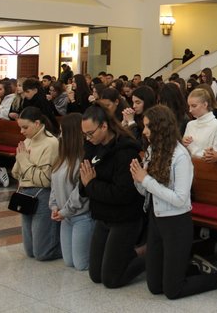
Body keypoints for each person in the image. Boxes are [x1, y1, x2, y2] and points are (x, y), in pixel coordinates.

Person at [131, 105, 217, 299]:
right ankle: (193, 266)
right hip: (156, 219)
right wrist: (137, 179)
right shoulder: (153, 149)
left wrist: (145, 180)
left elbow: (180, 199)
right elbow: (147, 191)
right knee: (155, 287)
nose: (144, 131)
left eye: (148, 127)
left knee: (173, 291)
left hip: (176, 223)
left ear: (161, 128)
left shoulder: (180, 156)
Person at [79, 104, 145, 288]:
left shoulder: (126, 151)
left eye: (90, 133)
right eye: (85, 134)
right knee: (96, 275)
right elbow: (82, 184)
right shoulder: (92, 147)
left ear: (104, 126)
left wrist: (91, 184)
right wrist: (89, 185)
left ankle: (151, 255)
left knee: (111, 280)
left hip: (125, 218)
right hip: (103, 215)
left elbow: (122, 194)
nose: (88, 138)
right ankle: (123, 256)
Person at [13, 107, 61, 261]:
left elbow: (44, 180)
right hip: (25, 193)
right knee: (30, 251)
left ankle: (68, 247)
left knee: (42, 253)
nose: (21, 131)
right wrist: (22, 161)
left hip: (42, 194)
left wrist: (23, 160)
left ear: (37, 123)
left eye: (25, 127)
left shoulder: (51, 143)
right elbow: (16, 173)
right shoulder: (28, 140)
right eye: (20, 127)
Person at [50, 113, 93, 270]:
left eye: (62, 132)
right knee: (69, 262)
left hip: (81, 216)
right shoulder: (62, 158)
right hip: (65, 217)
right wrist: (54, 206)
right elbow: (54, 185)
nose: (60, 136)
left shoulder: (83, 159)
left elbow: (80, 192)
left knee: (81, 265)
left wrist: (65, 211)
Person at [182, 88, 217, 158]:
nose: (190, 110)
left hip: (206, 164)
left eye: (194, 106)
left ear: (205, 104)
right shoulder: (190, 124)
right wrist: (183, 143)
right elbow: (184, 151)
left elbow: (213, 153)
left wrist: (193, 150)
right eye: (189, 106)